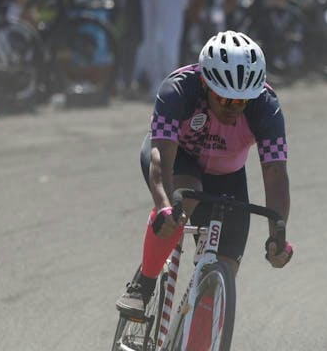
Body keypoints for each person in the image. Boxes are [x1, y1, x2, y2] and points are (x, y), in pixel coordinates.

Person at [116, 30, 293, 321]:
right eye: (225, 100)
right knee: (185, 198)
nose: (234, 109)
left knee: (224, 275)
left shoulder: (265, 105)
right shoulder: (178, 89)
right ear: (205, 84)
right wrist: (164, 207)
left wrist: (278, 234)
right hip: (177, 157)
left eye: (242, 102)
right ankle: (142, 285)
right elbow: (161, 158)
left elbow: (276, 175)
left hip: (228, 175)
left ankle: (193, 348)